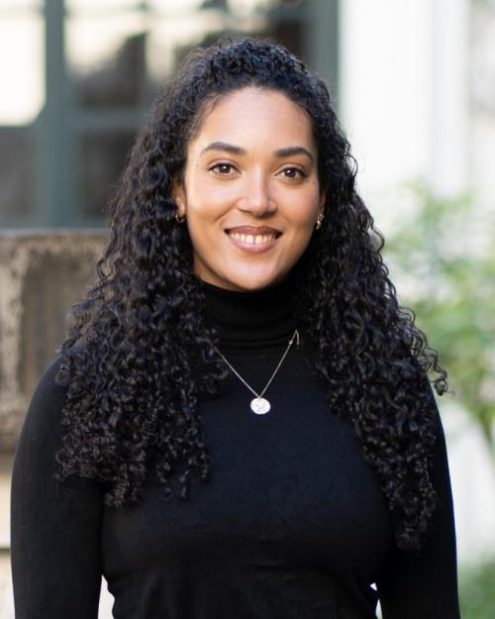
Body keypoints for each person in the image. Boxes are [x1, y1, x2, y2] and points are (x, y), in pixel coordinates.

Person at [11, 37, 460, 618]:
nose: (258, 200)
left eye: (290, 172)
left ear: (322, 199)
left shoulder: (387, 389)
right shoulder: (89, 393)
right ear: (177, 189)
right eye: (225, 167)